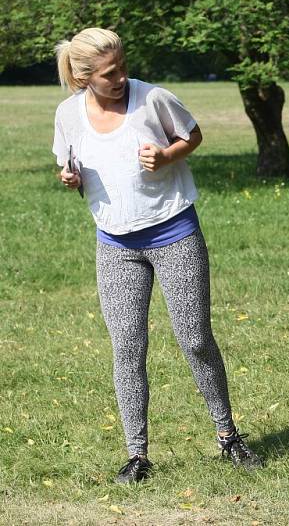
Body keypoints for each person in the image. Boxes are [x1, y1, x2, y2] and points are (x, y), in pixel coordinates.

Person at [53, 28, 262, 483]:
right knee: (127, 348)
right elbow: (66, 163)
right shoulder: (69, 114)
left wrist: (168, 156)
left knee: (194, 339)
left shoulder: (153, 99)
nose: (122, 77)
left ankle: (228, 436)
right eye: (111, 73)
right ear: (86, 76)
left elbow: (193, 134)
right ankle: (137, 454)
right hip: (115, 244)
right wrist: (69, 178)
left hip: (174, 233)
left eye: (124, 66)